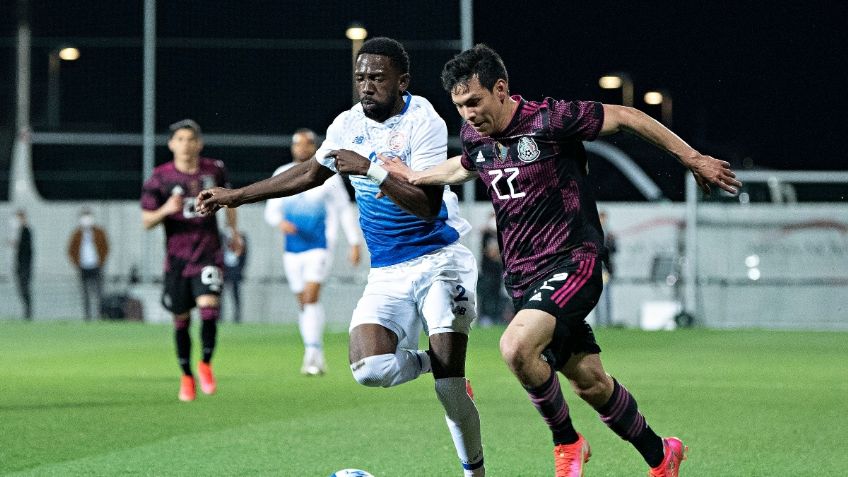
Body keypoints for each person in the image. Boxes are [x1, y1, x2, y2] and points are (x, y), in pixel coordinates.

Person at [380, 44, 741, 477]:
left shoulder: (551, 120)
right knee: (591, 382)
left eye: (475, 101)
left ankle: (567, 441)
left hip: (574, 261)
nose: (468, 114)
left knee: (515, 347)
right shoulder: (477, 136)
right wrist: (415, 175)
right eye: (460, 106)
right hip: (524, 279)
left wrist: (692, 158)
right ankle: (661, 454)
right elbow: (466, 164)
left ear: (501, 89)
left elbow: (627, 116)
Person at [196, 38, 485, 476]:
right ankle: (436, 362)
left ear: (402, 81)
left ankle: (473, 471)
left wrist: (370, 169)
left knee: (449, 391)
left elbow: (427, 205)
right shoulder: (346, 124)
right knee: (369, 368)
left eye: (378, 78)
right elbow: (310, 173)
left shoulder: (423, 120)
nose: (366, 85)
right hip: (387, 269)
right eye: (361, 77)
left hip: (439, 260)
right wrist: (234, 196)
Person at [141, 119, 243, 402]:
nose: (186, 145)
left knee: (209, 307)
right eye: (180, 139)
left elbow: (229, 201)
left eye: (190, 139)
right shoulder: (160, 177)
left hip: (209, 253)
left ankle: (205, 364)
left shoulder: (214, 170)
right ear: (171, 144)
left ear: (199, 143)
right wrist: (166, 209)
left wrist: (233, 232)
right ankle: (186, 376)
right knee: (181, 319)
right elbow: (146, 221)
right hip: (176, 260)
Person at [264, 128, 363, 376]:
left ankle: (311, 353)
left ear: (314, 147)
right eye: (298, 144)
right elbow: (271, 211)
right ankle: (315, 353)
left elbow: (344, 209)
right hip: (292, 249)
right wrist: (280, 223)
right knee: (304, 303)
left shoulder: (328, 175)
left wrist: (354, 242)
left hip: (320, 246)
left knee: (310, 297)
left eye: (307, 144)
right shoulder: (282, 173)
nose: (302, 148)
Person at [67, 207, 110, 320]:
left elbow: (106, 247)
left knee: (99, 293)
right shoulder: (77, 234)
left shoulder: (99, 232)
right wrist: (77, 263)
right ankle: (87, 317)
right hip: (83, 267)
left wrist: (101, 261)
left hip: (96, 266)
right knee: (85, 294)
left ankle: (101, 315)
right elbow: (70, 250)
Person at [476, 212, 506, 326]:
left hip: (498, 271)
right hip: (487, 271)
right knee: (486, 295)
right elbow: (489, 252)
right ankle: (485, 317)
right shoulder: (487, 235)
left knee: (497, 294)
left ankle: (496, 317)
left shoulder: (501, 234)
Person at [9, 209, 33, 320]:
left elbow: (27, 249)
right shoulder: (20, 231)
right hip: (20, 265)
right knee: (21, 288)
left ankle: (28, 312)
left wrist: (17, 244)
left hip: (25, 265)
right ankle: (26, 311)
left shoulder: (26, 231)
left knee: (24, 288)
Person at [595, 210, 616, 327]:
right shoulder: (594, 233)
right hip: (597, 269)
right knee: (597, 298)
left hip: (605, 270)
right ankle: (599, 321)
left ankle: (607, 321)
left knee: (607, 297)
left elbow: (613, 249)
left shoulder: (609, 235)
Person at [221, 227, 247, 324]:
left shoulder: (241, 236)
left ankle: (237, 316)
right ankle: (219, 317)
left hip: (235, 270)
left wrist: (240, 269)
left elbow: (245, 254)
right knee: (220, 295)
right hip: (223, 269)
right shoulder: (221, 236)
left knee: (236, 294)